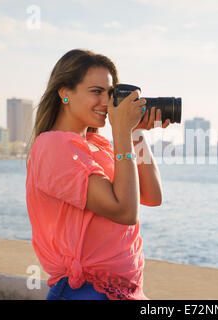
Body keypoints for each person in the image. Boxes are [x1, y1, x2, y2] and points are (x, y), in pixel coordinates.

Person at [25, 49, 170, 300]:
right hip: (86, 292)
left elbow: (152, 195)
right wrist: (122, 132)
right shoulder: (53, 146)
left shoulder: (97, 145)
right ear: (65, 92)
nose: (106, 102)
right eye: (96, 91)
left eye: (110, 93)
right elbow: (125, 211)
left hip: (121, 291)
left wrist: (135, 134)